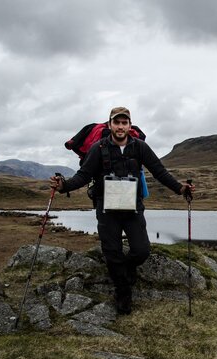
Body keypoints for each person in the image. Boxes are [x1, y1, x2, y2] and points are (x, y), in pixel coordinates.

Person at [50, 106, 194, 314]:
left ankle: (126, 270)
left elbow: (159, 172)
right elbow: (83, 175)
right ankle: (123, 291)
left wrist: (181, 189)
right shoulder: (98, 148)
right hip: (106, 209)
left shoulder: (141, 147)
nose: (120, 126)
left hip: (133, 208)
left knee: (141, 250)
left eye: (124, 122)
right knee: (112, 252)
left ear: (129, 125)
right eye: (116, 122)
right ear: (110, 125)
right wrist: (64, 186)